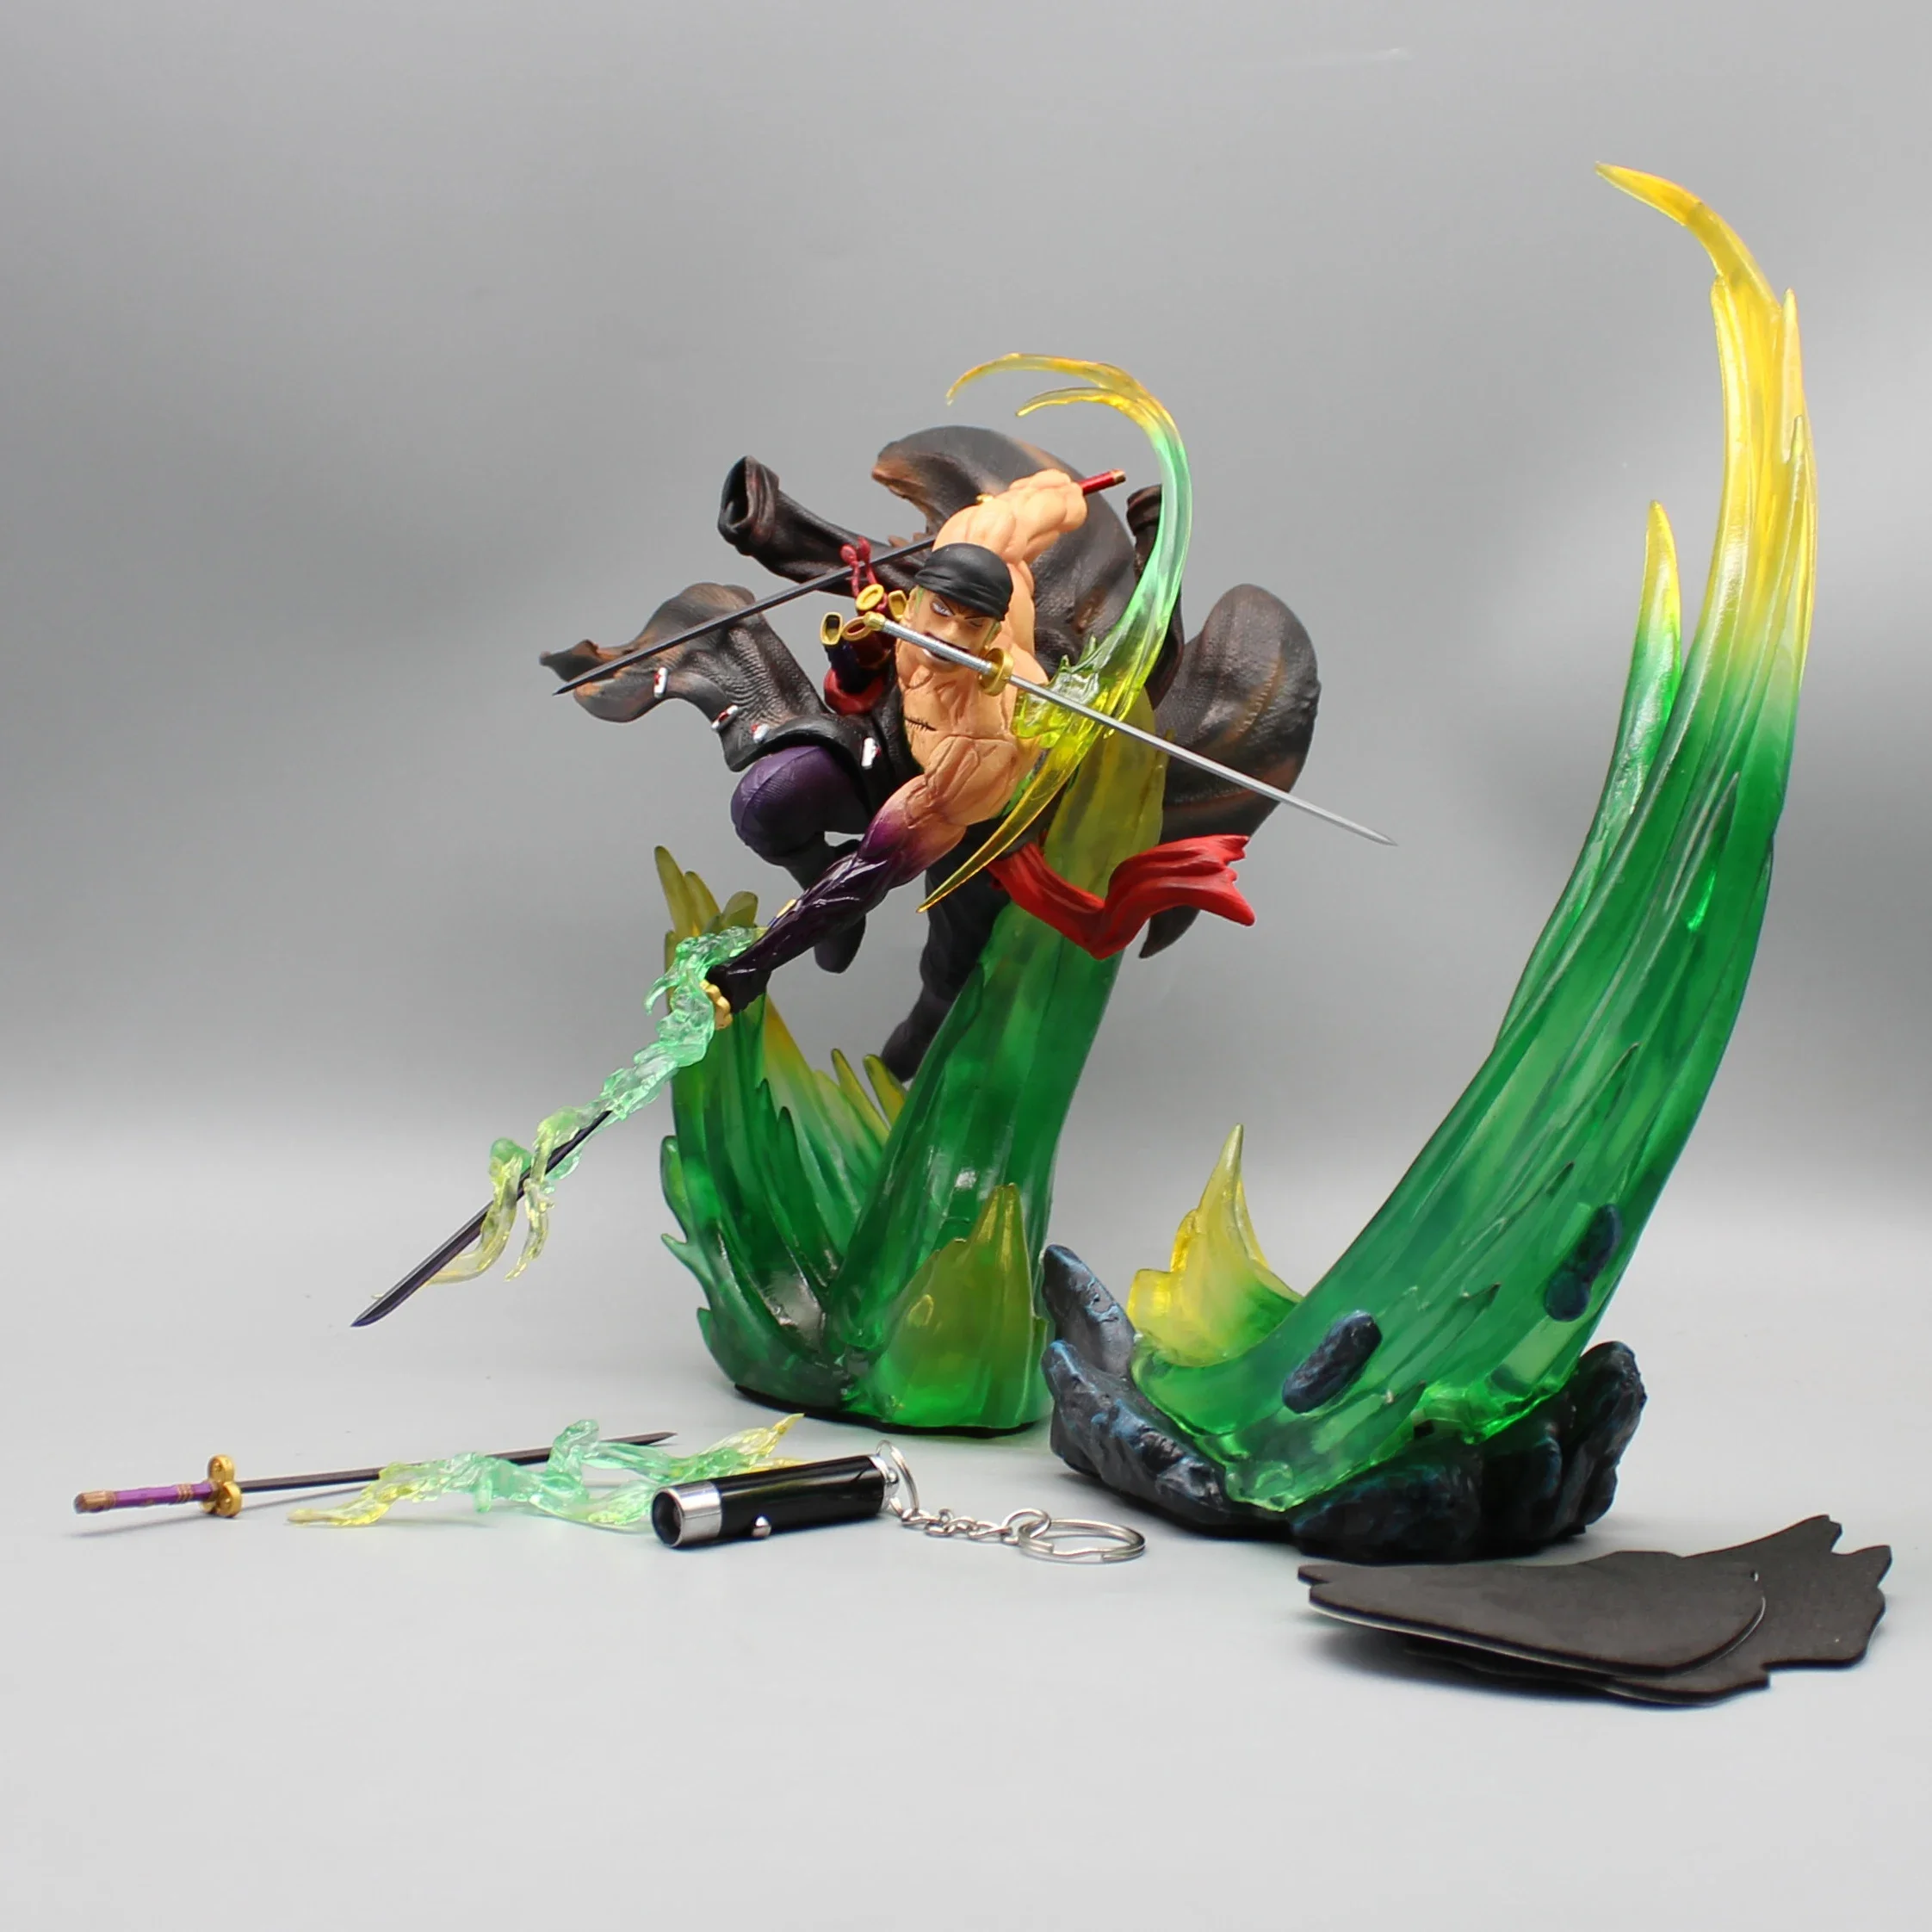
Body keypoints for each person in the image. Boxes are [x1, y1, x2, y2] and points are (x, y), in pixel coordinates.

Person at [705, 470, 1089, 1018]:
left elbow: (872, 870)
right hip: (895, 733)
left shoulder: (979, 745)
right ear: (915, 600)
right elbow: (1030, 510)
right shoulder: (971, 540)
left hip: (966, 801)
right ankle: (816, 880)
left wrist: (750, 968)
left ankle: (917, 1009)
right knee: (764, 800)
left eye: (972, 625)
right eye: (942, 610)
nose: (949, 637)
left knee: (955, 957)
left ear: (991, 637)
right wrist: (1067, 495)